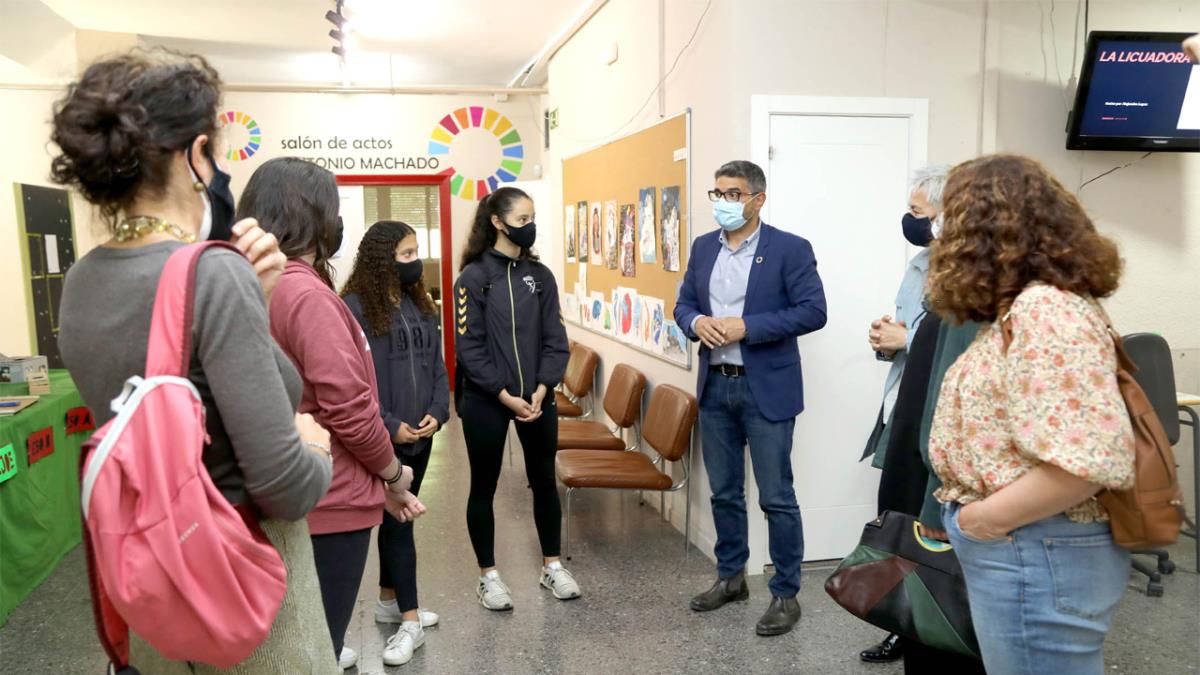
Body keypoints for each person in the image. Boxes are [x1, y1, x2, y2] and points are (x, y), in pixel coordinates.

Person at [53, 49, 338, 673]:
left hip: (151, 573)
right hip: (237, 572)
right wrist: (317, 447)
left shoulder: (81, 281)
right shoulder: (214, 274)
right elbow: (284, 486)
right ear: (196, 154)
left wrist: (250, 303)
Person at [928, 154, 1136, 674]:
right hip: (1028, 546)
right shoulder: (1022, 308)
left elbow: (1085, 461)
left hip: (1035, 547)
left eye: (948, 218)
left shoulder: (1045, 311)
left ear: (984, 230)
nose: (938, 232)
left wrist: (979, 522)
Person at [237, 158, 426, 672]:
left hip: (286, 492)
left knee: (296, 645)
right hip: (328, 502)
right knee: (316, 645)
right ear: (314, 218)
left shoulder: (250, 282)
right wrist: (393, 473)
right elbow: (349, 406)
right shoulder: (304, 294)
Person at [674, 160, 827, 636]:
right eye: (717, 193)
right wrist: (696, 323)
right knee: (724, 492)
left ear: (758, 199)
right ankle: (731, 577)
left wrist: (748, 327)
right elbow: (683, 304)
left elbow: (813, 311)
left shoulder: (789, 249)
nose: (723, 202)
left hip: (765, 390)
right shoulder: (704, 248)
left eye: (733, 193)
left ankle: (785, 593)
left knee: (777, 498)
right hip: (716, 386)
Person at [452, 186, 577, 611]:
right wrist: (506, 396)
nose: (530, 227)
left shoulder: (540, 277)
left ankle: (553, 566)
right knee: (483, 486)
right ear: (497, 222)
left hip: (538, 397)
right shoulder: (472, 277)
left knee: (544, 480)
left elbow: (556, 341)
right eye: (522, 220)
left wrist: (542, 388)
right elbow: (470, 348)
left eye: (532, 218)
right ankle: (488, 576)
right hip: (488, 399)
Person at [342, 221, 450, 667]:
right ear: (382, 259)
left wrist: (437, 413)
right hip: (381, 440)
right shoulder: (354, 309)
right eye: (406, 254)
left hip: (420, 439)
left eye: (416, 252)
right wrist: (389, 426)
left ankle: (390, 601)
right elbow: (354, 384)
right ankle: (410, 622)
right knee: (395, 526)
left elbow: (437, 366)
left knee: (396, 526)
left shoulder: (420, 304)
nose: (415, 262)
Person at [858, 164, 948, 664]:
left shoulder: (972, 274)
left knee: (924, 525)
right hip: (904, 403)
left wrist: (907, 339)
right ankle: (902, 621)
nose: (910, 220)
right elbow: (911, 327)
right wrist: (886, 338)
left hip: (935, 416)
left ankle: (928, 623)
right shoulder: (918, 263)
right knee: (895, 516)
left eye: (918, 212)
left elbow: (950, 341)